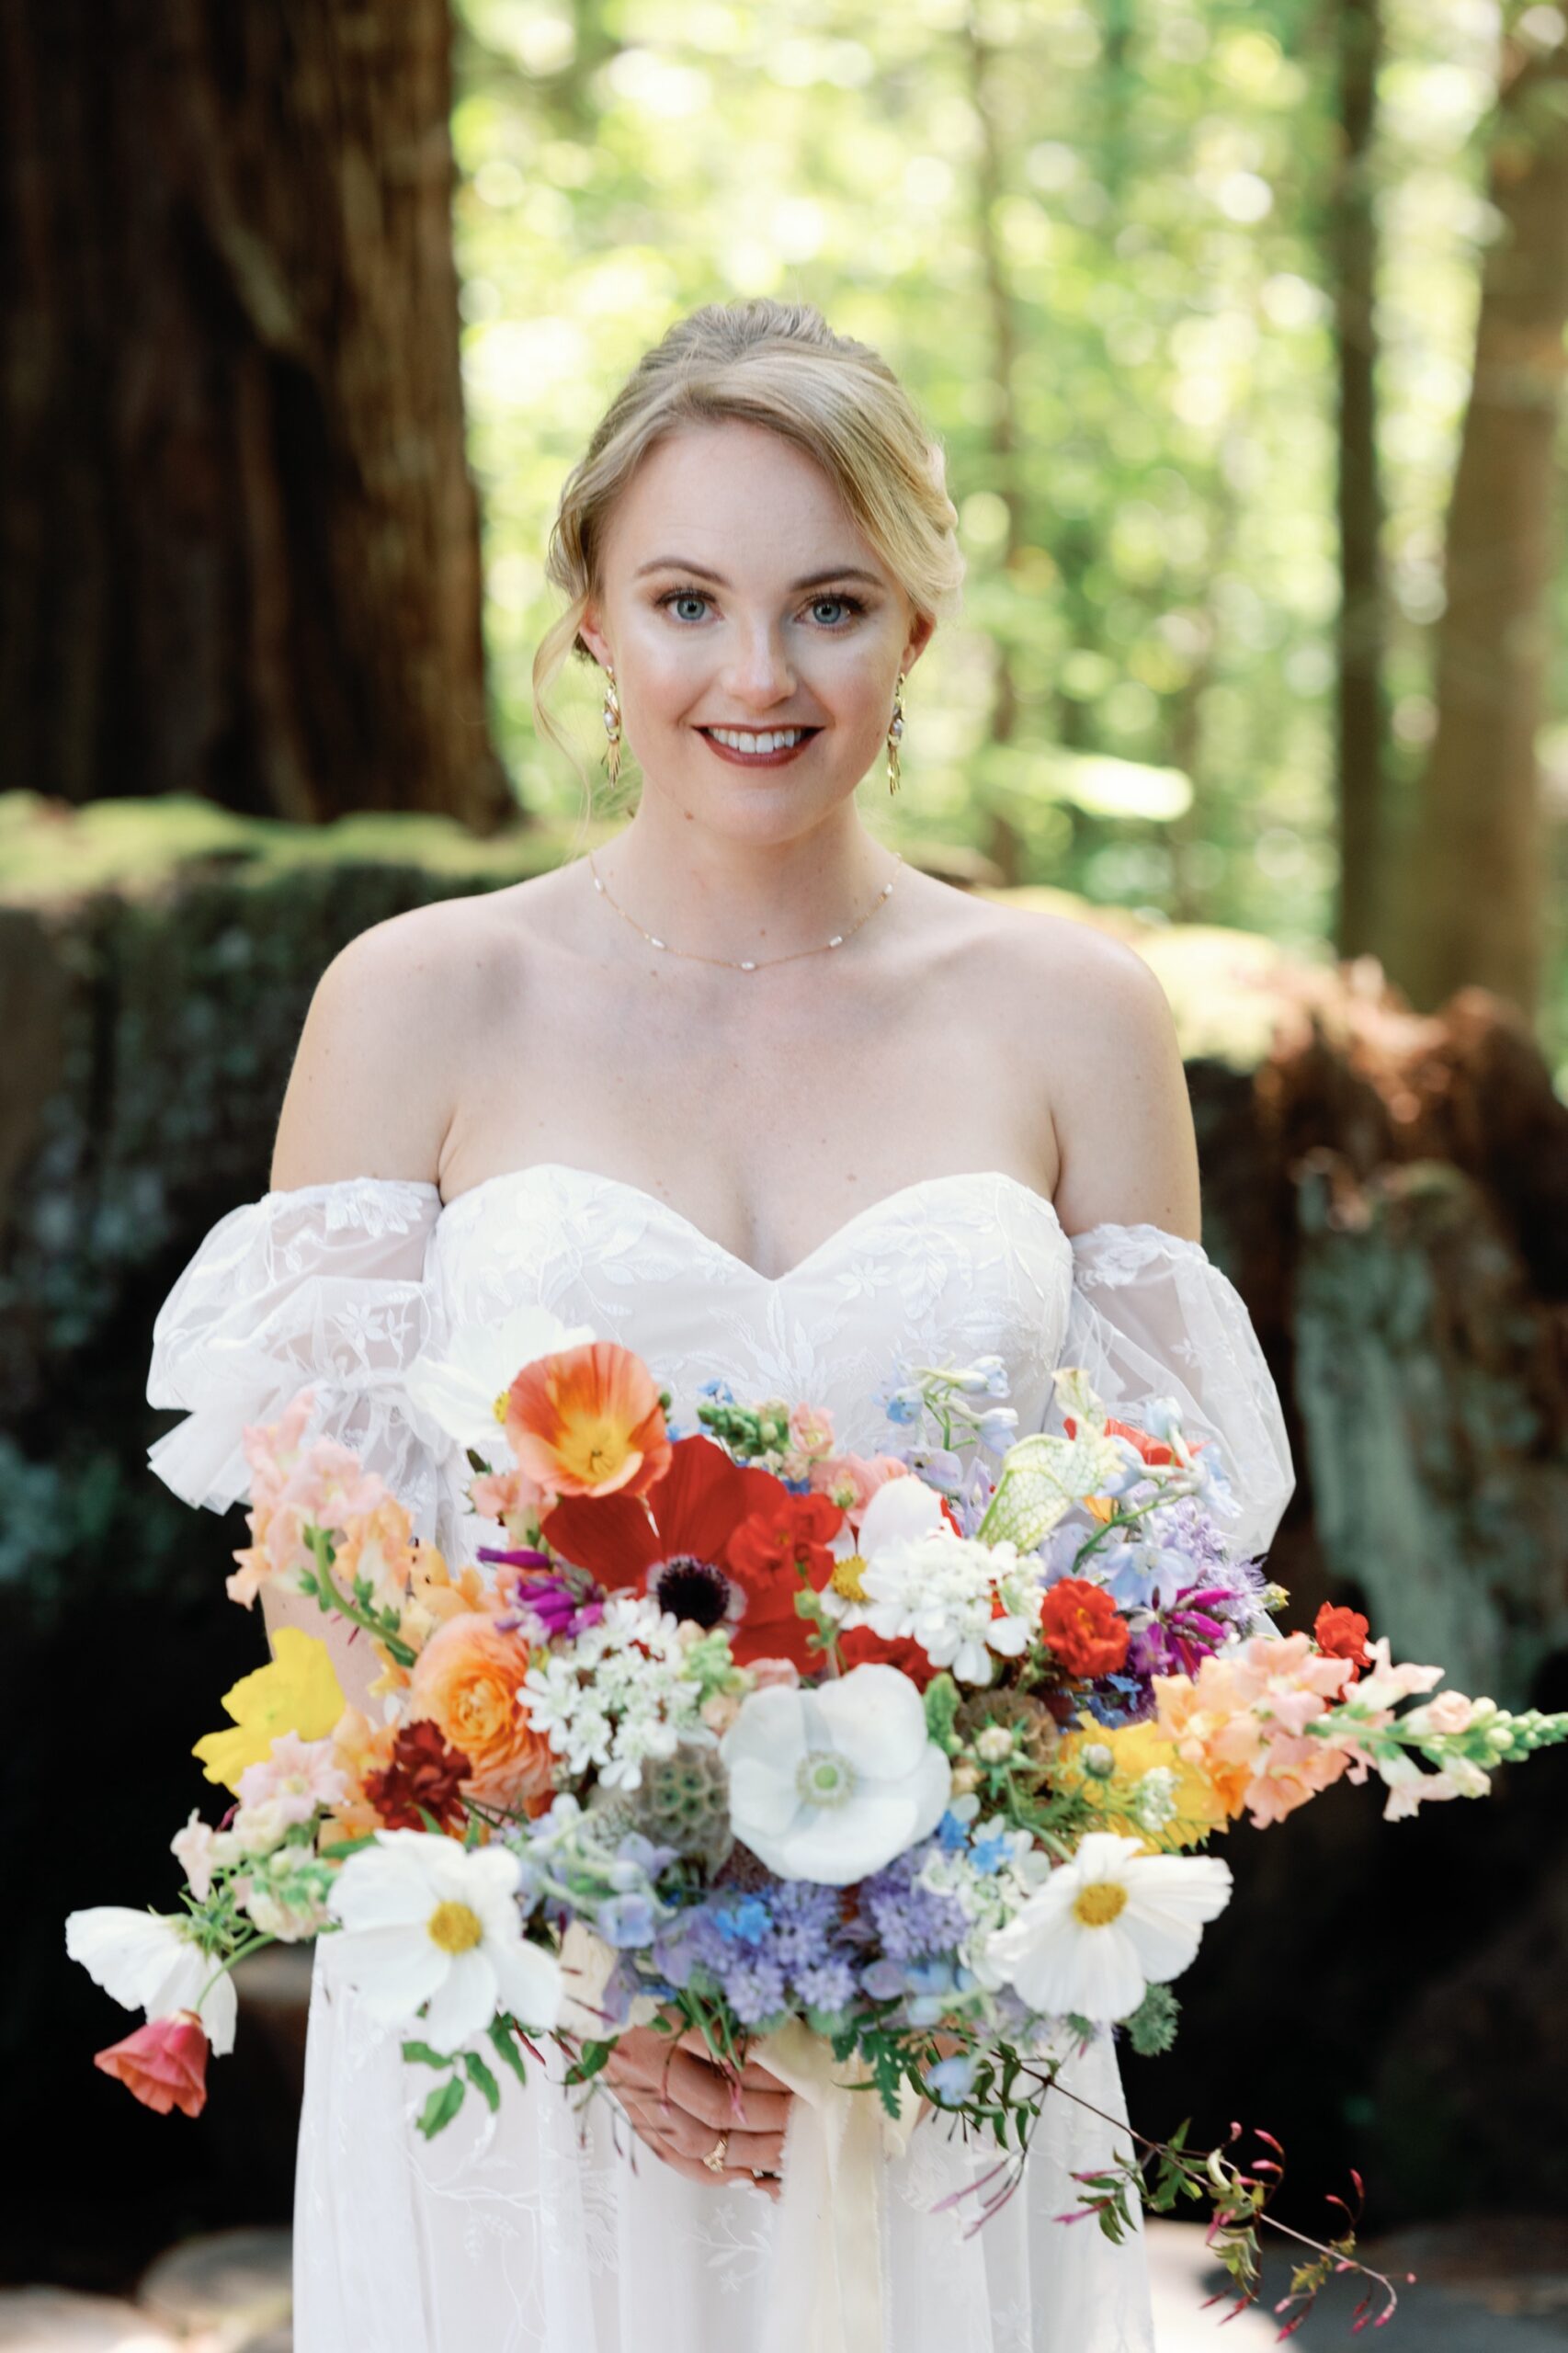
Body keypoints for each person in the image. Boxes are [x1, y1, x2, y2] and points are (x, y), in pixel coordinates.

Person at [145, 298, 1294, 2352]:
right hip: (516, 2028)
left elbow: (1159, 1580)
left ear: (920, 628)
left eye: (830, 605)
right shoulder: (416, 1001)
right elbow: (321, 1596)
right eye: (686, 599)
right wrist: (596, 1965)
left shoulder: (1073, 1013)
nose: (756, 676)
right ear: (587, 612)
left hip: (949, 2028)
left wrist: (901, 1921)